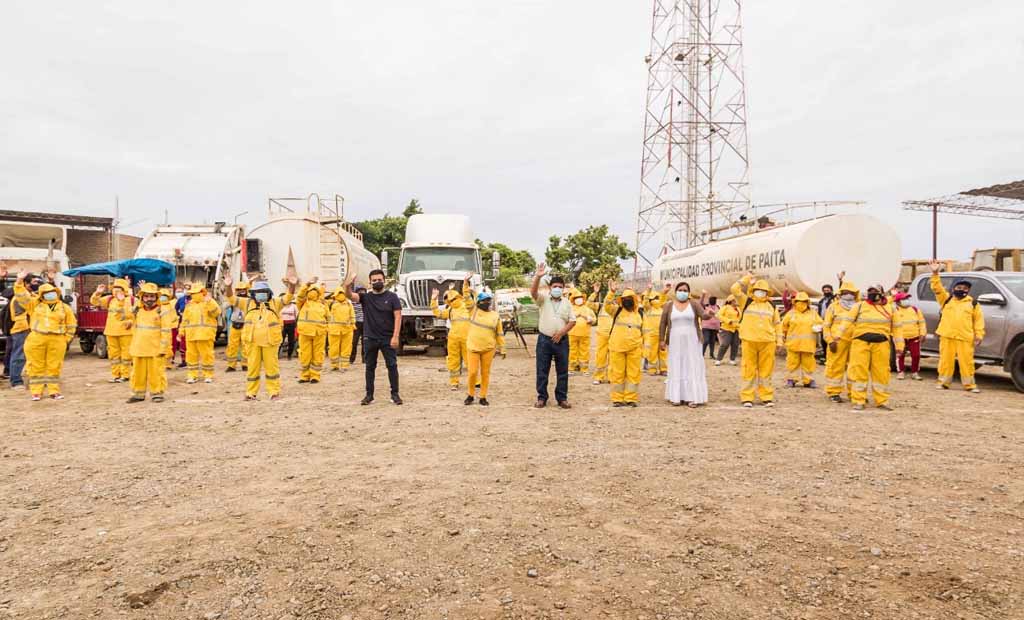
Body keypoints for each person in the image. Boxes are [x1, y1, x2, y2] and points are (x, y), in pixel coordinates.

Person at [835, 285, 903, 411]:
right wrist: (838, 335)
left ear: (882, 293)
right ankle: (859, 400)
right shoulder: (859, 306)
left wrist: (900, 346)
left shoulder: (891, 308)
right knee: (859, 372)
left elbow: (897, 328)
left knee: (882, 373)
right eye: (870, 292)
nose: (872, 294)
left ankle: (882, 401)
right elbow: (847, 321)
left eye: (875, 292)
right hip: (861, 343)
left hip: (881, 344)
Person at [16, 274, 77, 400]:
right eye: (47, 293)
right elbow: (22, 297)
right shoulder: (34, 305)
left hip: (57, 339)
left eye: (52, 292)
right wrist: (19, 281)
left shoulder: (64, 307)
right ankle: (36, 392)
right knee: (35, 366)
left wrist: (67, 338)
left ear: (56, 292)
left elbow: (71, 323)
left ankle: (54, 391)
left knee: (54, 366)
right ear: (42, 295)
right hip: (37, 338)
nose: (50, 294)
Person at [346, 269, 402, 405]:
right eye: (374, 280)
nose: (377, 282)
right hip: (370, 338)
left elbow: (398, 316)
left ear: (384, 280)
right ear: (370, 282)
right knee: (370, 367)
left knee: (392, 366)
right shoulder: (366, 297)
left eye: (379, 279)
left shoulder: (393, 297)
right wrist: (348, 284)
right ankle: (369, 395)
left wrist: (395, 336)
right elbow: (349, 295)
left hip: (387, 338)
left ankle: (395, 395)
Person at [929, 261, 985, 392]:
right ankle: (943, 382)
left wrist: (979, 334)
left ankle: (969, 385)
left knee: (967, 362)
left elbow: (978, 321)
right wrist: (935, 273)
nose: (962, 290)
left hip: (965, 337)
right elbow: (937, 288)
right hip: (947, 336)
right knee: (945, 361)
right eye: (959, 287)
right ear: (953, 288)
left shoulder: (973, 303)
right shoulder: (946, 300)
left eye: (965, 288)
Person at [731, 273, 782, 408]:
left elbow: (777, 324)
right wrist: (746, 279)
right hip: (749, 341)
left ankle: (766, 397)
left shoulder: (772, 306)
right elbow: (734, 289)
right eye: (758, 290)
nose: (761, 293)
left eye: (763, 291)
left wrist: (780, 341)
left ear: (767, 292)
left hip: (768, 342)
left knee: (766, 371)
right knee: (749, 369)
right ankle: (747, 397)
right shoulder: (746, 301)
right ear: (753, 291)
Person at [659, 282, 714, 407]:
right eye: (680, 289)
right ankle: (676, 396)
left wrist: (709, 314)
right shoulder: (669, 305)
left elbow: (703, 316)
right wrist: (661, 340)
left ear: (688, 293)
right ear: (676, 291)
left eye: (685, 290)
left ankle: (692, 397)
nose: (682, 292)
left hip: (692, 339)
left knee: (691, 365)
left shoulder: (694, 304)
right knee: (676, 364)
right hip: (675, 339)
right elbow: (663, 323)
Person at [529, 262, 576, 409]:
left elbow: (572, 321)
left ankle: (562, 398)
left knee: (562, 371)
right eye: (554, 286)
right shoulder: (543, 300)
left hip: (562, 341)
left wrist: (561, 333)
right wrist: (538, 276)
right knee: (542, 369)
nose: (557, 289)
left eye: (560, 287)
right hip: (544, 339)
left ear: (563, 289)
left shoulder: (567, 303)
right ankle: (542, 397)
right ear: (550, 288)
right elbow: (533, 293)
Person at [126, 283, 170, 403]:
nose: (149, 299)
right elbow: (124, 317)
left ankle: (157, 393)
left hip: (155, 349)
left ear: (156, 297)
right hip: (139, 348)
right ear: (142, 297)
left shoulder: (162, 311)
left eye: (152, 296)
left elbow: (166, 331)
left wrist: (163, 348)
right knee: (137, 373)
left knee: (156, 373)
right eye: (146, 296)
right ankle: (138, 394)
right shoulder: (137, 311)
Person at [244, 281, 288, 401]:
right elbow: (231, 298)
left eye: (263, 292)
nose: (260, 295)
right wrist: (227, 286)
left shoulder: (275, 303)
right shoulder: (247, 303)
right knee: (252, 368)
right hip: (253, 343)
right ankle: (250, 393)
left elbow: (288, 297)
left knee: (271, 368)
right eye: (258, 292)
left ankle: (274, 392)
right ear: (253, 294)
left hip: (270, 343)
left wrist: (292, 285)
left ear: (268, 294)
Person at [430, 275, 474, 390]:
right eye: (449, 301)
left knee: (470, 360)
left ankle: (475, 381)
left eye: (452, 299)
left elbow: (467, 295)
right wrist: (433, 300)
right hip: (453, 339)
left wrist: (465, 283)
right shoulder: (450, 310)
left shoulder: (467, 306)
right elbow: (437, 314)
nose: (451, 302)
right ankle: (454, 382)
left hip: (466, 338)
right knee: (453, 361)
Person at [464, 290, 506, 406]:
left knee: (485, 373)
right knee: (472, 372)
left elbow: (499, 333)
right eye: (483, 301)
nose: (486, 303)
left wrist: (502, 348)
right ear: (478, 302)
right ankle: (470, 394)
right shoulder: (473, 311)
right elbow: (467, 298)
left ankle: (483, 396)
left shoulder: (495, 315)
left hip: (488, 348)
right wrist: (466, 284)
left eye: (488, 300)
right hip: (473, 348)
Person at [90, 278, 135, 383]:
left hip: (126, 332)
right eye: (114, 288)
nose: (116, 291)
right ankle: (116, 375)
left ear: (124, 290)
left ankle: (125, 375)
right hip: (111, 331)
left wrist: (131, 322)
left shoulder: (131, 300)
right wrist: (97, 293)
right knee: (114, 355)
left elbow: (136, 314)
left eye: (118, 288)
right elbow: (95, 302)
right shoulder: (109, 299)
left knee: (126, 355)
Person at [605, 287, 644, 407]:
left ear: (634, 300)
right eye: (625, 299)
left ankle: (631, 398)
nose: (627, 301)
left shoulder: (640, 314)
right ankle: (617, 398)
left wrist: (644, 348)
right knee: (617, 374)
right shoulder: (616, 311)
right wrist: (611, 292)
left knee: (634, 374)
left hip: (635, 349)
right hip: (617, 348)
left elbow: (645, 331)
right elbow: (607, 305)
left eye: (629, 298)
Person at [822, 281, 859, 403]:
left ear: (855, 294)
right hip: (837, 342)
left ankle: (854, 393)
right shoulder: (833, 307)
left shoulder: (859, 307)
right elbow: (826, 326)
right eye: (845, 293)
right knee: (835, 367)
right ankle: (833, 392)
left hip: (855, 341)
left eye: (850, 293)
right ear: (840, 294)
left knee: (855, 368)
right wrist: (830, 341)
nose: (848, 295)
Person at [286, 279, 328, 384]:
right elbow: (299, 296)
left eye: (315, 291)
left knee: (318, 355)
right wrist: (306, 285)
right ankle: (305, 375)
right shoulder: (303, 303)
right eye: (310, 291)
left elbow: (329, 317)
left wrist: (328, 328)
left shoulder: (323, 304)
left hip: (319, 333)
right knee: (305, 354)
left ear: (318, 293)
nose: (312, 293)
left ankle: (315, 376)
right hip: (305, 333)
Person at [5, 272, 41, 390]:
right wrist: (19, 280)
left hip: (31, 329)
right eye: (34, 282)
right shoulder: (20, 296)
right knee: (19, 355)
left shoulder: (32, 295)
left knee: (32, 356)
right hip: (21, 329)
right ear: (26, 284)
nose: (37, 284)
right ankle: (16, 381)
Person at [181, 282, 221, 384]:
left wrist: (209, 302)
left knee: (207, 355)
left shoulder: (208, 302)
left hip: (205, 335)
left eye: (196, 293)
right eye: (192, 293)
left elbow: (217, 312)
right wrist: (181, 331)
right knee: (191, 356)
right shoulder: (189, 305)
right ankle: (192, 375)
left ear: (202, 292)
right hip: (191, 335)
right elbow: (184, 320)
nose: (194, 295)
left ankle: (208, 375)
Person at [782, 291, 823, 388]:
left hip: (808, 344)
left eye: (804, 301)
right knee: (792, 363)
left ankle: (808, 380)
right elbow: (783, 327)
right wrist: (782, 337)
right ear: (794, 302)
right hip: (793, 344)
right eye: (799, 301)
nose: (801, 303)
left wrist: (819, 327)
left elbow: (821, 324)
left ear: (807, 302)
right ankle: (791, 379)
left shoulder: (813, 314)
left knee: (808, 363)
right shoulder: (791, 313)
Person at [891, 292, 926, 381]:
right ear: (898, 302)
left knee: (916, 355)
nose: (906, 301)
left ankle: (914, 372)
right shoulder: (894, 310)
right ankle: (901, 372)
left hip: (914, 336)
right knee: (900, 355)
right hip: (900, 337)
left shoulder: (915, 310)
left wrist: (923, 333)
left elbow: (922, 323)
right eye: (903, 299)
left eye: (907, 299)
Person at [223, 278, 255, 372]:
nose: (241, 292)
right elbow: (224, 307)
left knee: (246, 346)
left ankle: (245, 364)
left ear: (246, 290)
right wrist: (232, 300)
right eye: (239, 290)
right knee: (232, 346)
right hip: (234, 325)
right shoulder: (234, 300)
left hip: (246, 325)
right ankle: (231, 365)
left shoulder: (250, 300)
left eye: (243, 290)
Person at [587, 282, 615, 384]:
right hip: (602, 336)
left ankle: (611, 377)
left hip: (614, 336)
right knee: (600, 356)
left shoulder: (617, 308)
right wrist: (595, 293)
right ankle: (599, 377)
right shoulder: (600, 306)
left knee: (613, 357)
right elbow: (588, 304)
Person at [641, 285, 670, 376]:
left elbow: (662, 300)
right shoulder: (648, 309)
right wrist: (648, 291)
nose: (656, 300)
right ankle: (652, 369)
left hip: (662, 334)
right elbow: (645, 302)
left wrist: (664, 292)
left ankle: (663, 369)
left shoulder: (661, 308)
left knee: (663, 352)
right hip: (652, 335)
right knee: (652, 353)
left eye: (657, 298)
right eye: (654, 298)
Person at [328, 286, 356, 371]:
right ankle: (334, 365)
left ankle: (344, 365)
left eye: (342, 293)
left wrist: (353, 323)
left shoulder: (348, 303)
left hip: (346, 329)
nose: (341, 295)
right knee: (334, 348)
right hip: (334, 330)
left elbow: (352, 314)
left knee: (346, 348)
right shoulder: (331, 303)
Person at [568, 289, 596, 374]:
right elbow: (565, 319)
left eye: (580, 297)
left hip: (585, 334)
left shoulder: (588, 309)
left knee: (584, 351)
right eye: (576, 298)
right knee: (572, 351)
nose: (578, 299)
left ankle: (584, 369)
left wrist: (591, 320)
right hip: (572, 333)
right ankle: (572, 368)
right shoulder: (570, 309)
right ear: (573, 300)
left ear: (583, 299)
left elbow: (594, 319)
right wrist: (576, 316)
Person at [714, 295, 740, 366]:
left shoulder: (738, 308)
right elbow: (718, 315)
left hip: (736, 328)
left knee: (735, 344)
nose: (737, 301)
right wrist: (728, 321)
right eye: (736, 300)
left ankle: (732, 359)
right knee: (725, 344)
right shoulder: (725, 307)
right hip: (726, 328)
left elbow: (739, 318)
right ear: (731, 301)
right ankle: (718, 359)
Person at [349, 287, 365, 364]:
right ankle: (351, 358)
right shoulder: (352, 302)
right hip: (356, 323)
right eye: (360, 292)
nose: (362, 293)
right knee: (354, 342)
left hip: (365, 323)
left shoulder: (366, 301)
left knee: (365, 342)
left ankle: (364, 359)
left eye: (363, 291)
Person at [173, 287, 187, 368]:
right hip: (182, 322)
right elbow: (176, 308)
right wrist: (179, 314)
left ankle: (191, 360)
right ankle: (183, 360)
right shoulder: (181, 299)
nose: (187, 290)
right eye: (186, 288)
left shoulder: (194, 299)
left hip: (192, 324)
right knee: (183, 343)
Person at [280, 294, 297, 359]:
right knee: (280, 340)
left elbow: (296, 315)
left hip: (291, 324)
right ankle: (277, 354)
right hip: (283, 324)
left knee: (291, 340)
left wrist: (296, 324)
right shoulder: (281, 306)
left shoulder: (294, 306)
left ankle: (289, 355)